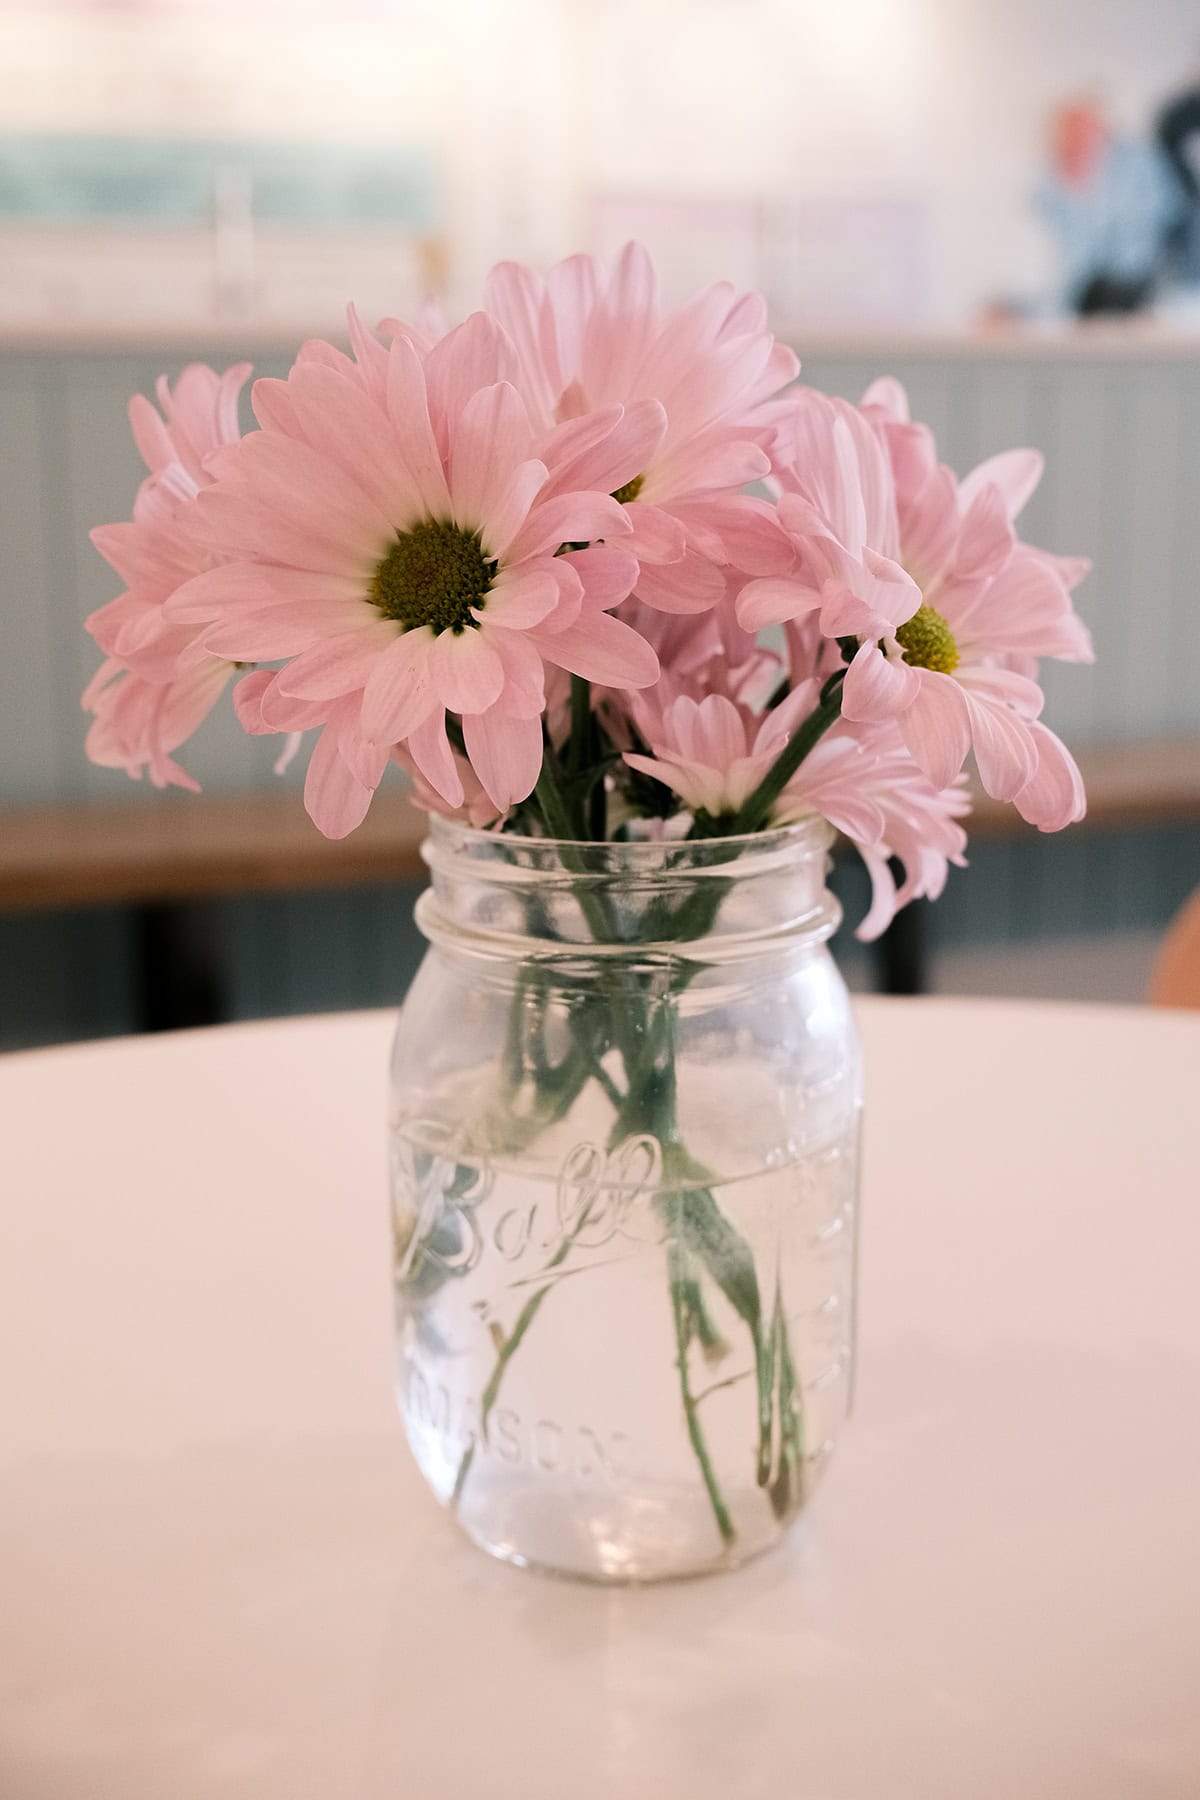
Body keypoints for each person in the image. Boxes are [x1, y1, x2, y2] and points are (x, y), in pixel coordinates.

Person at [1036, 95, 1183, 316]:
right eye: (1071, 136)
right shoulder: (1047, 195)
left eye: (1087, 133)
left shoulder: (1140, 172)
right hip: (1074, 311)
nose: (1079, 144)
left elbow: (1165, 229)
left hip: (1144, 300)